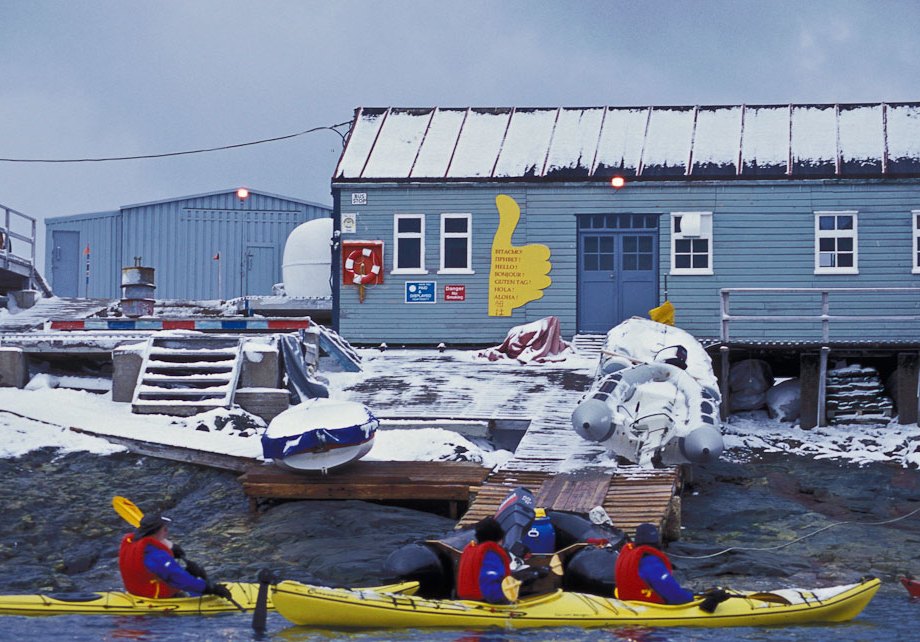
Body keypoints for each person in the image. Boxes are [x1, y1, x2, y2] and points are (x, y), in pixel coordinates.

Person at [118, 513, 232, 600]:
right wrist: (210, 589)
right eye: (164, 529)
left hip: (136, 592)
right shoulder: (157, 556)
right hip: (156, 597)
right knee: (191, 586)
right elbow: (180, 579)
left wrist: (172, 550)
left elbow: (157, 566)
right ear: (155, 532)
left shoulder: (130, 543)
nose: (167, 532)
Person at [614, 522, 694, 604]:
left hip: (627, 601)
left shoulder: (629, 556)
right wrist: (689, 597)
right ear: (656, 540)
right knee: (684, 594)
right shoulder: (650, 562)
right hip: (647, 605)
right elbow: (669, 589)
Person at [456, 516, 512, 603]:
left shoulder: (470, 549)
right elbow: (489, 580)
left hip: (465, 599)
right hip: (485, 602)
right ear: (499, 536)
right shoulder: (491, 552)